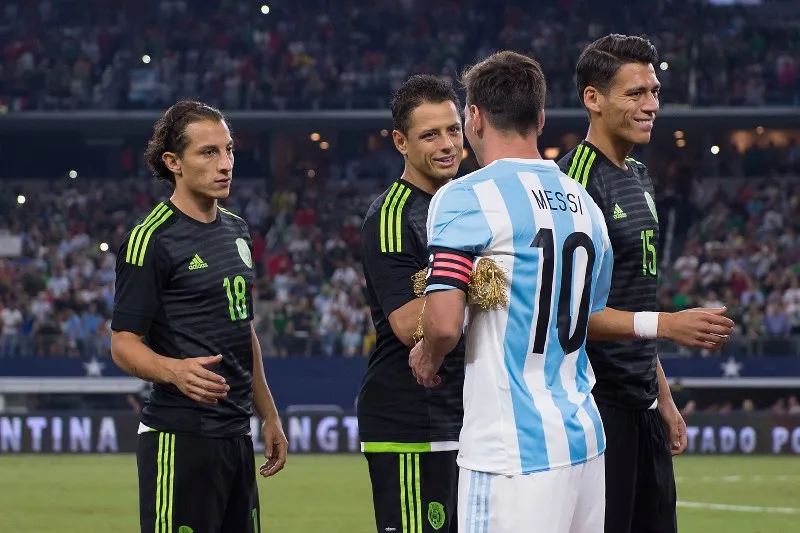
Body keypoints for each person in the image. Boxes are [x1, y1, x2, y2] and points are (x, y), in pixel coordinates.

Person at [410, 50, 613, 533]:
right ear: (540, 118)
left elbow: (443, 323)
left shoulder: (464, 197)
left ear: (474, 118)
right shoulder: (586, 204)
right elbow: (589, 313)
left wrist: (428, 356)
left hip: (511, 454)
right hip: (584, 442)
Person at [557, 34, 734, 533]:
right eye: (635, 93)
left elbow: (632, 295)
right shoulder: (570, 184)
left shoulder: (638, 174)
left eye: (654, 91)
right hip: (595, 408)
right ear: (593, 98)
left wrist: (664, 398)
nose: (652, 105)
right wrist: (668, 325)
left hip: (643, 405)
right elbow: (569, 315)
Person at [110, 100, 287, 533]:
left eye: (228, 150)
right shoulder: (151, 239)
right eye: (208, 152)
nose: (225, 164)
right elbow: (123, 343)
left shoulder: (236, 229)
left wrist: (268, 414)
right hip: (180, 437)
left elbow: (242, 329)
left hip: (236, 436)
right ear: (173, 162)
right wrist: (174, 370)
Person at [358, 75, 465, 533]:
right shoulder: (392, 214)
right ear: (401, 142)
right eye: (430, 135)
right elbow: (406, 323)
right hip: (410, 419)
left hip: (467, 416)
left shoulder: (466, 202)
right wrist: (477, 282)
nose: (447, 145)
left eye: (453, 130)